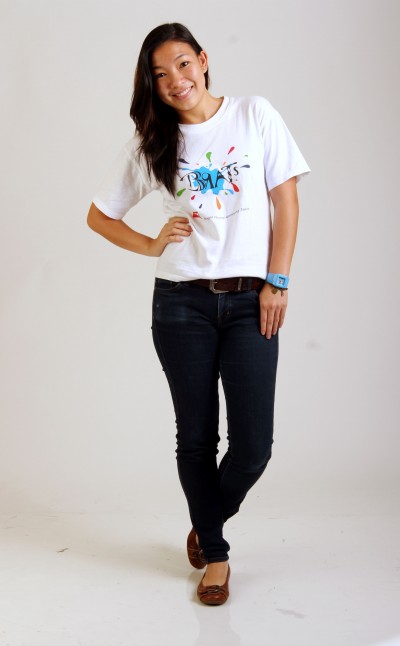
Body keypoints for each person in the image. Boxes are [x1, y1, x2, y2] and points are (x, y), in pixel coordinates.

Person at [87, 22, 310, 606]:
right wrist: (151, 244)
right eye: (160, 74)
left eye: (182, 64)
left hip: (251, 298)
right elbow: (99, 215)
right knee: (196, 437)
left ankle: (206, 519)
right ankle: (216, 554)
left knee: (254, 445)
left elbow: (285, 200)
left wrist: (278, 281)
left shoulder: (254, 115)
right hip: (180, 301)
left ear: (204, 60)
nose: (175, 80)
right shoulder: (152, 143)